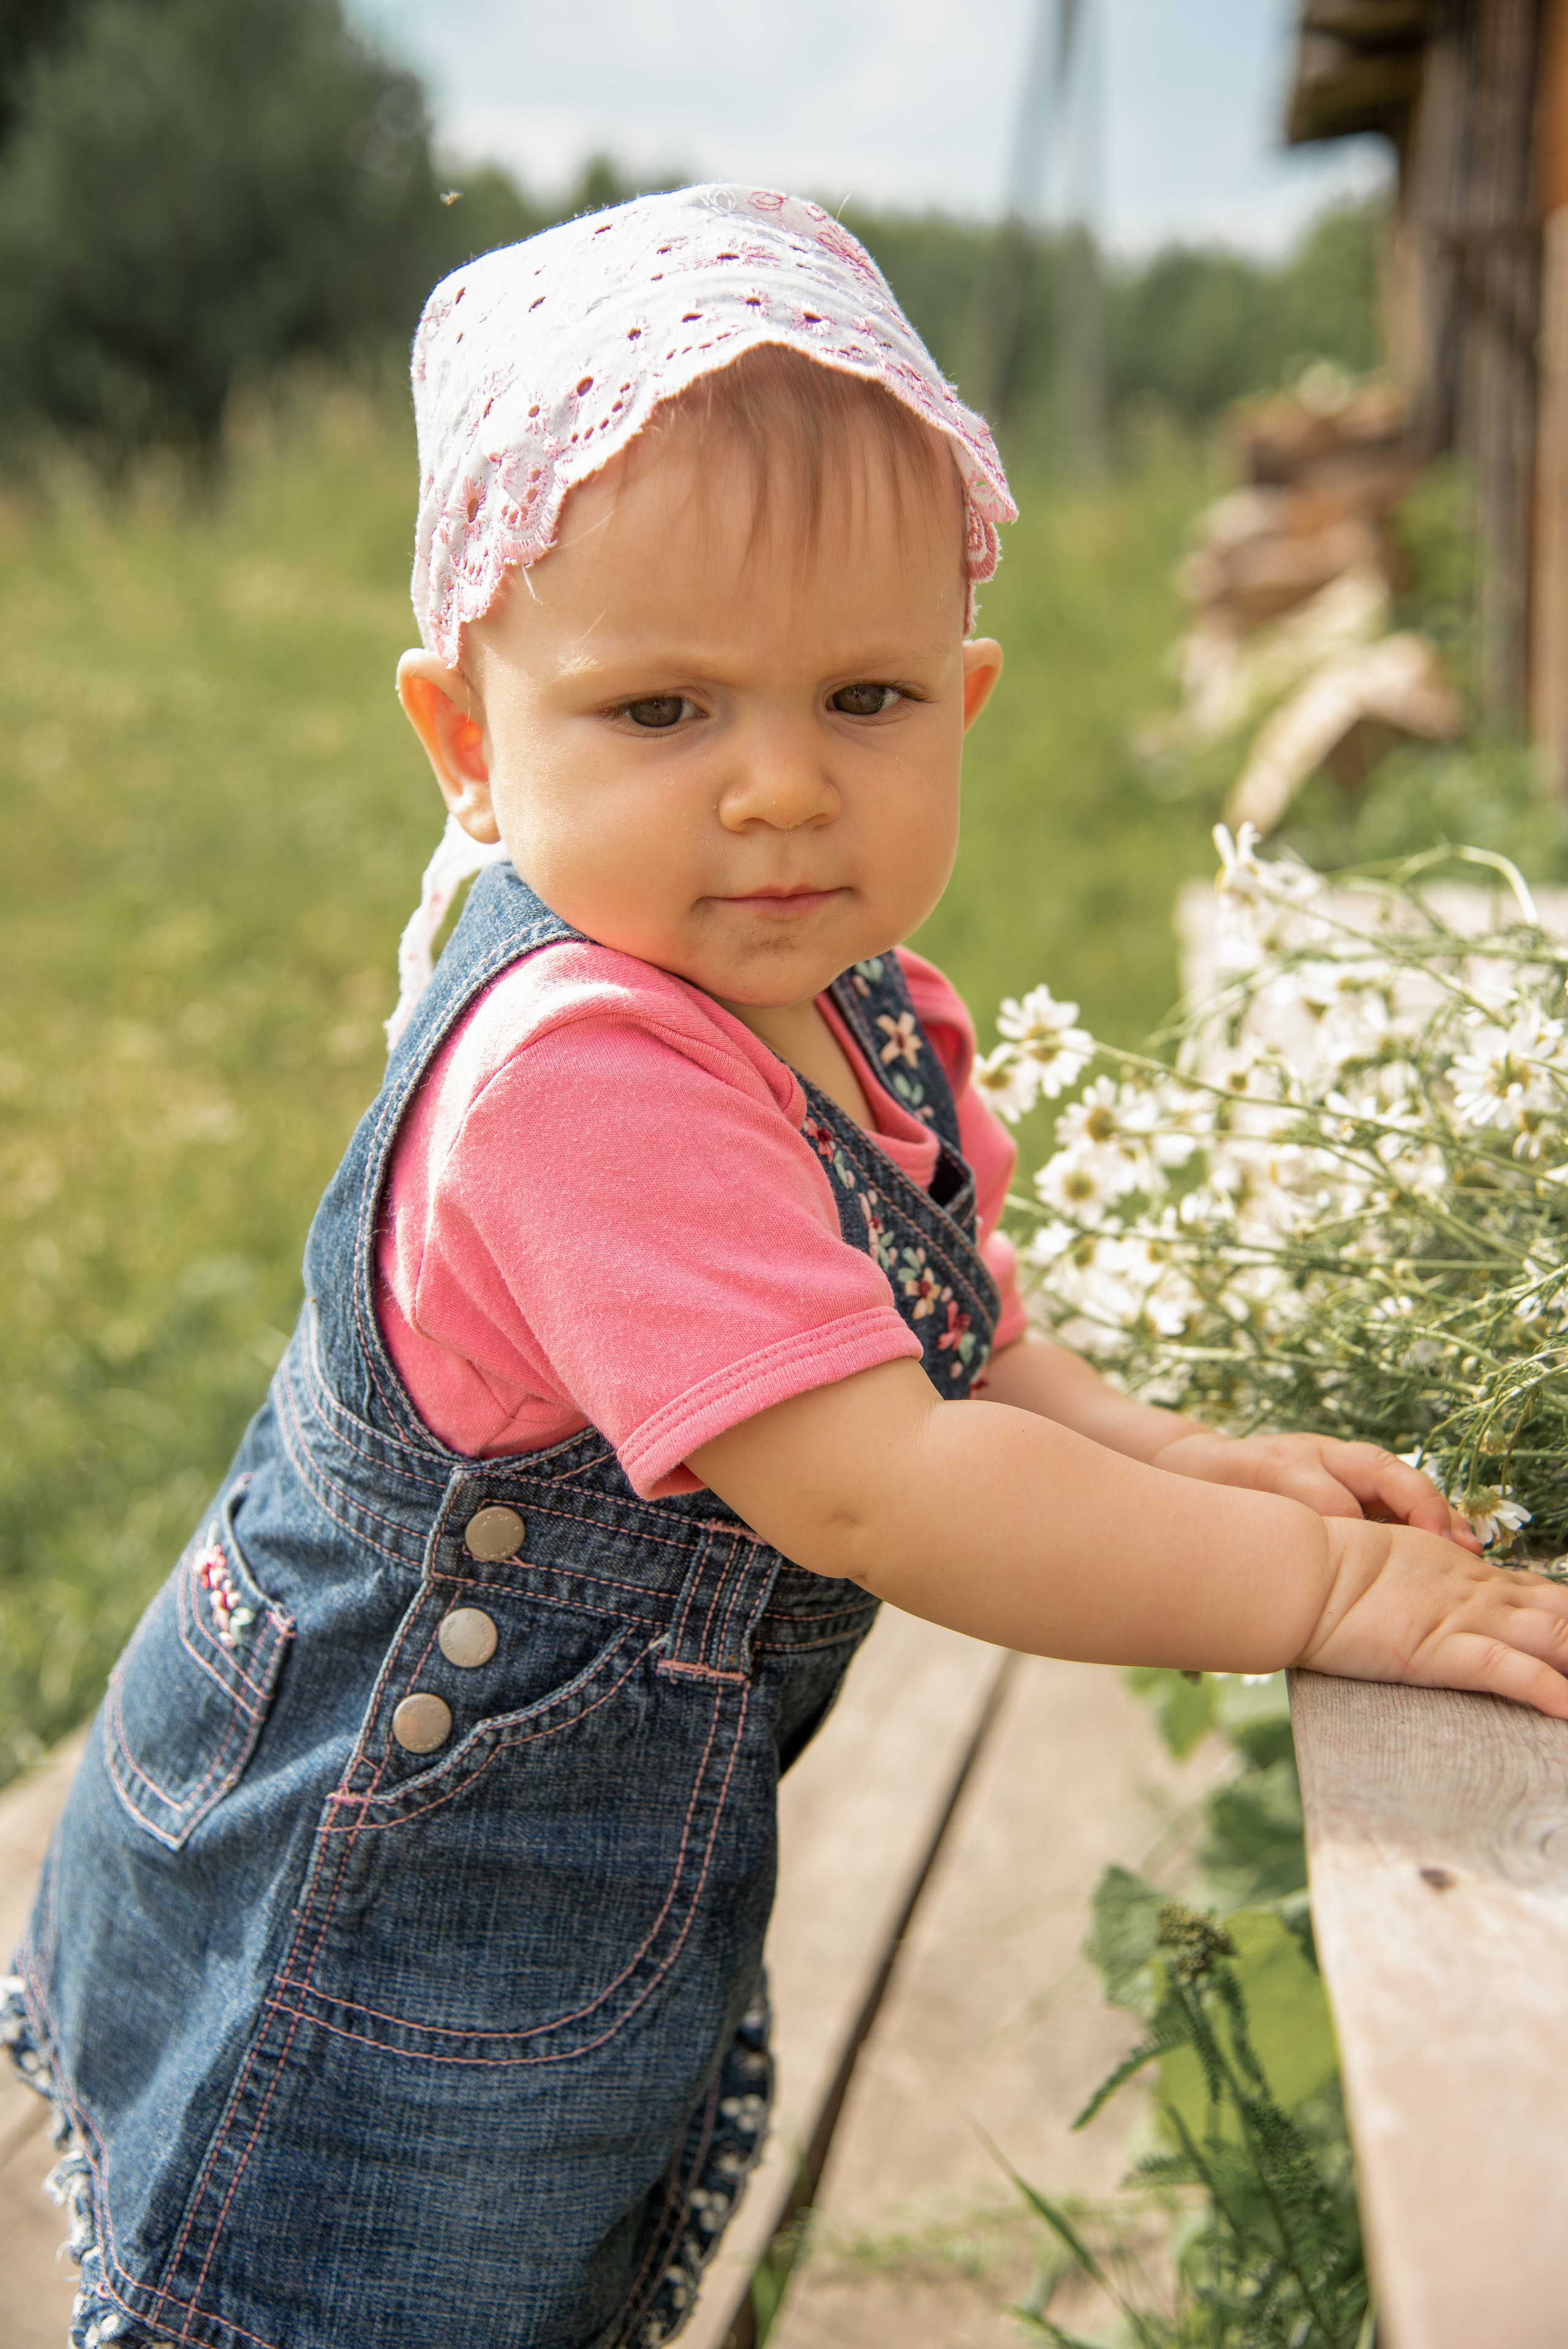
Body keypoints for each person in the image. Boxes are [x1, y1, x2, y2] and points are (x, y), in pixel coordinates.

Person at [7, 185, 1568, 2349]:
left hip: (552, 1918)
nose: (776, 789)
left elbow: (967, 1344)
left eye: (864, 693)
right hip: (359, 1952)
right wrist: (1325, 1596)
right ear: (469, 737)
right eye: (660, 711)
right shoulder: (581, 1079)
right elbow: (880, 1481)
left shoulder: (863, 1014)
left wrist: (1179, 1455)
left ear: (969, 695)